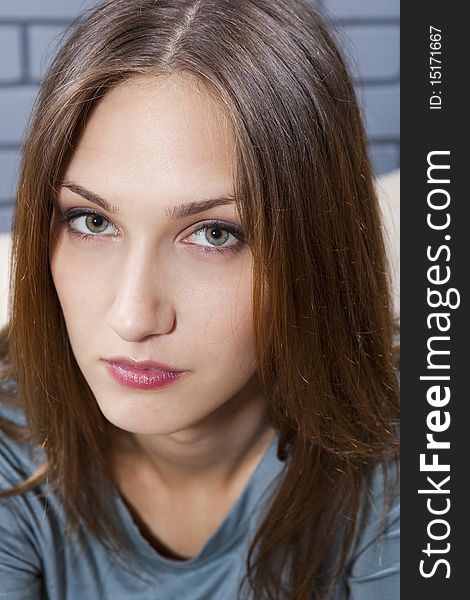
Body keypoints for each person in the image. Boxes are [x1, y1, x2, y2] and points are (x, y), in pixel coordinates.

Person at [0, 0, 400, 598]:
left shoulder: (411, 446)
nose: (133, 316)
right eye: (90, 221)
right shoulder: (12, 448)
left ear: (315, 249)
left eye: (216, 234)